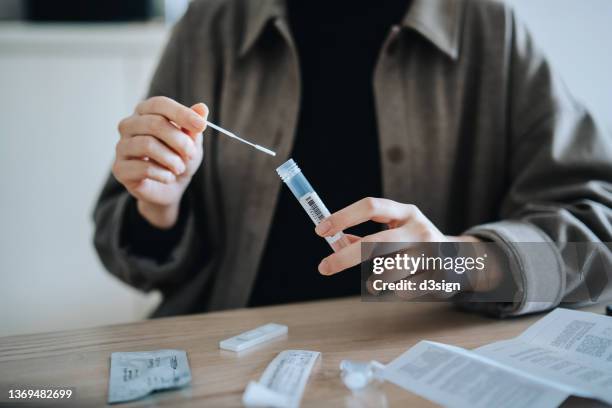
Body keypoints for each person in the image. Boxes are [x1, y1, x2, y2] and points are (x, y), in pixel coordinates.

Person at [93, 0, 612, 318]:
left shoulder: (488, 29)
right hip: (233, 349)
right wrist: (159, 209)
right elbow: (124, 254)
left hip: (416, 362)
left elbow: (595, 249)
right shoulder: (211, 26)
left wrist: (462, 264)